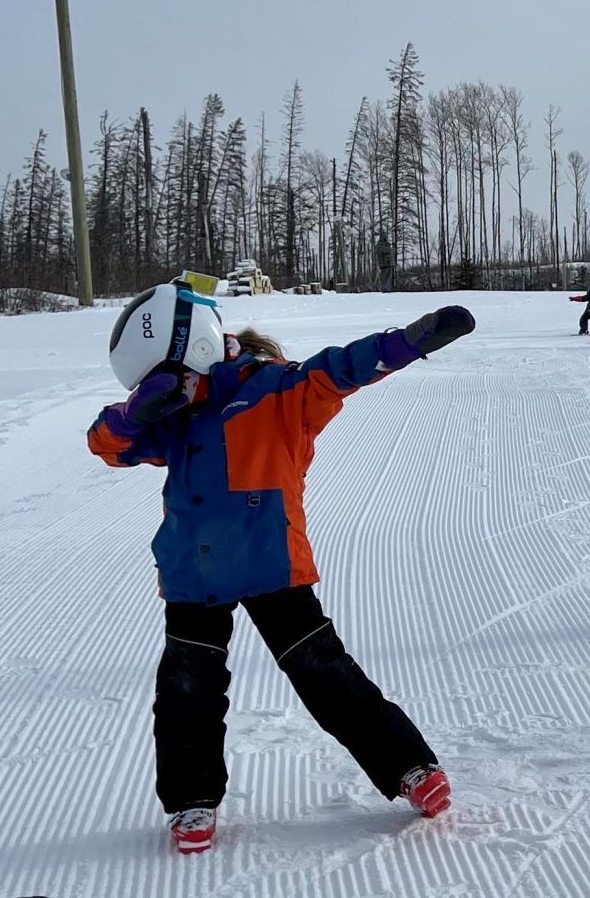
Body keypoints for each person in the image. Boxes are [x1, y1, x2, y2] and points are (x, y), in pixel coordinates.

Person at [86, 278, 476, 854]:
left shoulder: (280, 392)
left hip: (270, 560)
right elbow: (105, 445)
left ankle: (409, 767)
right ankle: (192, 801)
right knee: (187, 692)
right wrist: (130, 414)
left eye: (174, 375)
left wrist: (406, 343)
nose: (175, 387)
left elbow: (343, 368)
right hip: (194, 571)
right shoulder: (172, 414)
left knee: (325, 674)